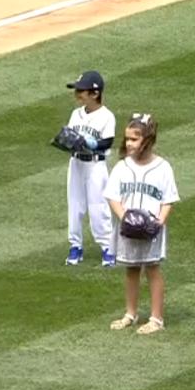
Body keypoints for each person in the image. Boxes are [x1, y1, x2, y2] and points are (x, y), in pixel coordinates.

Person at [103, 113, 180, 334]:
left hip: (151, 230)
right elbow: (112, 196)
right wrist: (125, 217)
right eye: (127, 138)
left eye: (134, 139)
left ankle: (156, 318)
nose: (129, 143)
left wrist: (158, 223)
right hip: (127, 230)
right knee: (131, 268)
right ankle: (131, 313)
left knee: (152, 268)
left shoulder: (163, 167)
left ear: (148, 140)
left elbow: (169, 199)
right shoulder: (122, 167)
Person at [63, 70, 116, 267]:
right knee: (75, 206)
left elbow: (108, 142)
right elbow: (70, 136)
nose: (77, 94)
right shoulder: (75, 114)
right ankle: (75, 246)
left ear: (95, 93)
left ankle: (107, 247)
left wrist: (93, 143)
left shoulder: (106, 116)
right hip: (76, 163)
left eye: (81, 91)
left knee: (98, 206)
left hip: (95, 165)